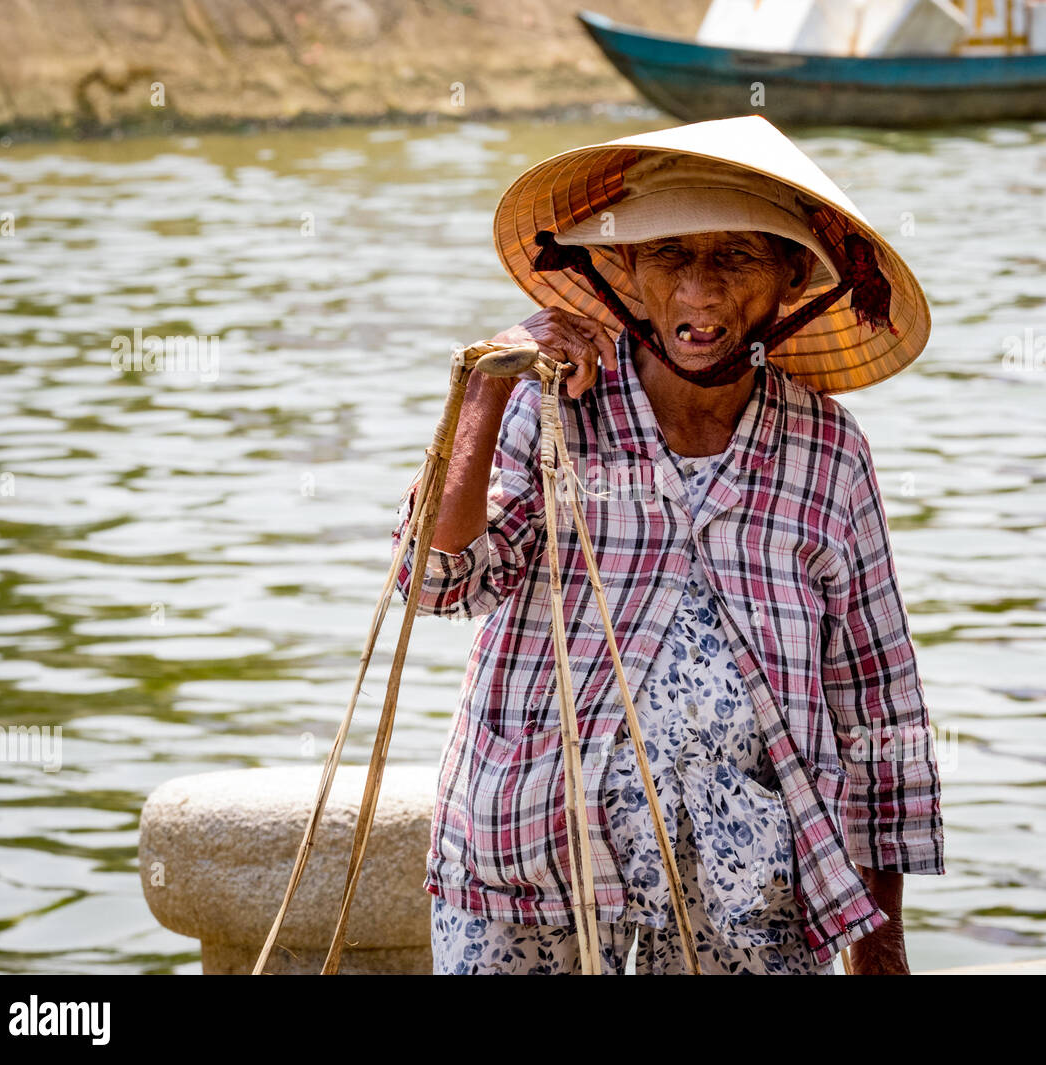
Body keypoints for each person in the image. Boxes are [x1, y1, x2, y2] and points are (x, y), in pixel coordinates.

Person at [391, 116, 945, 975]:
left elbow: (878, 708)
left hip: (749, 902)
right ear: (625, 273)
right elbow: (435, 583)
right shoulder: (549, 408)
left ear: (791, 277)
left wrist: (882, 945)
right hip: (531, 874)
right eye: (670, 255)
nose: (701, 292)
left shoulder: (828, 453)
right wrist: (483, 395)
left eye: (735, 258)